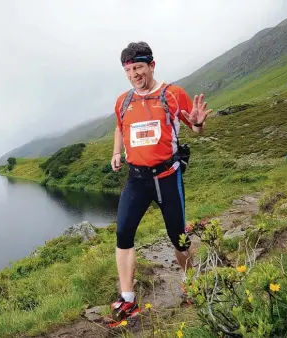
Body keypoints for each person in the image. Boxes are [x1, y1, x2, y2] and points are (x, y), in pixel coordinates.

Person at [109, 41, 212, 321]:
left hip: (167, 177)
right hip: (136, 179)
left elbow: (196, 129)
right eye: (128, 70)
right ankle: (128, 299)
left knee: (178, 239)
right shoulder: (123, 100)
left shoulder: (173, 94)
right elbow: (120, 127)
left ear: (152, 65)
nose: (133, 75)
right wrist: (117, 152)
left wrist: (199, 123)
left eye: (138, 68)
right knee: (123, 235)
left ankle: (193, 283)